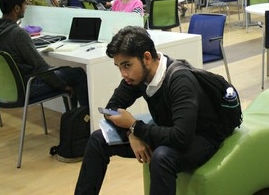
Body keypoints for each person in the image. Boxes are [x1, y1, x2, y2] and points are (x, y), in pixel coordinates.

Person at [74, 26, 226, 195]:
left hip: (201, 137)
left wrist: (135, 126)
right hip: (167, 130)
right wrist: (131, 134)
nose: (123, 74)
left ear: (146, 58)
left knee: (162, 157)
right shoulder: (136, 77)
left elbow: (181, 137)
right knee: (98, 139)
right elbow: (110, 110)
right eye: (119, 67)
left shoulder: (180, 80)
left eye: (127, 65)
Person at [0, 0, 88, 107]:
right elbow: (41, 67)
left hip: (5, 89)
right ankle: (83, 116)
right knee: (77, 73)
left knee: (66, 73)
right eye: (24, 4)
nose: (26, 7)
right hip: (28, 87)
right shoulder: (18, 34)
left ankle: (73, 115)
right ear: (17, 8)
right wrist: (63, 86)